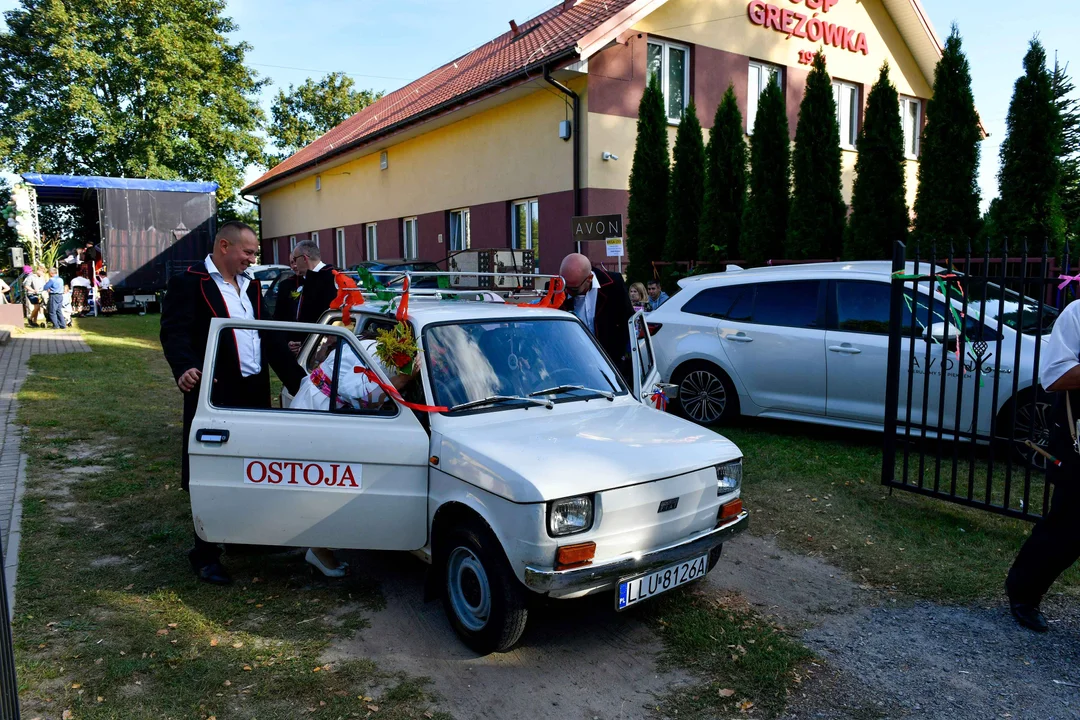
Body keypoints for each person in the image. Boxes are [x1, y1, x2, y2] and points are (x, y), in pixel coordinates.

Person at [160, 221, 305, 586]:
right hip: (215, 391)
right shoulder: (191, 282)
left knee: (252, 467)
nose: (252, 259)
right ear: (224, 246)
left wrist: (301, 383)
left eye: (253, 253)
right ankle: (205, 554)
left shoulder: (252, 285)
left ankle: (245, 539)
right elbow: (174, 331)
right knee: (211, 471)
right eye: (248, 252)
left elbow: (267, 335)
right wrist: (184, 367)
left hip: (253, 390)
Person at [1005, 299, 1080, 632]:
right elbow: (1055, 375)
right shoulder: (1077, 314)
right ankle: (1023, 592)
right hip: (1079, 440)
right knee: (1068, 528)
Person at [559, 253, 634, 381]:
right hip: (573, 363)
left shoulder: (614, 284)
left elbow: (627, 319)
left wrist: (621, 354)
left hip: (610, 361)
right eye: (565, 287)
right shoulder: (557, 288)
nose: (567, 292)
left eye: (574, 290)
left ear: (589, 278)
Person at [274, 240, 338, 353]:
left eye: (295, 260)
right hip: (295, 350)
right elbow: (279, 318)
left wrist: (308, 344)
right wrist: (287, 342)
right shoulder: (292, 283)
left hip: (324, 349)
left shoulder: (334, 279)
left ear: (304, 258)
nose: (294, 265)